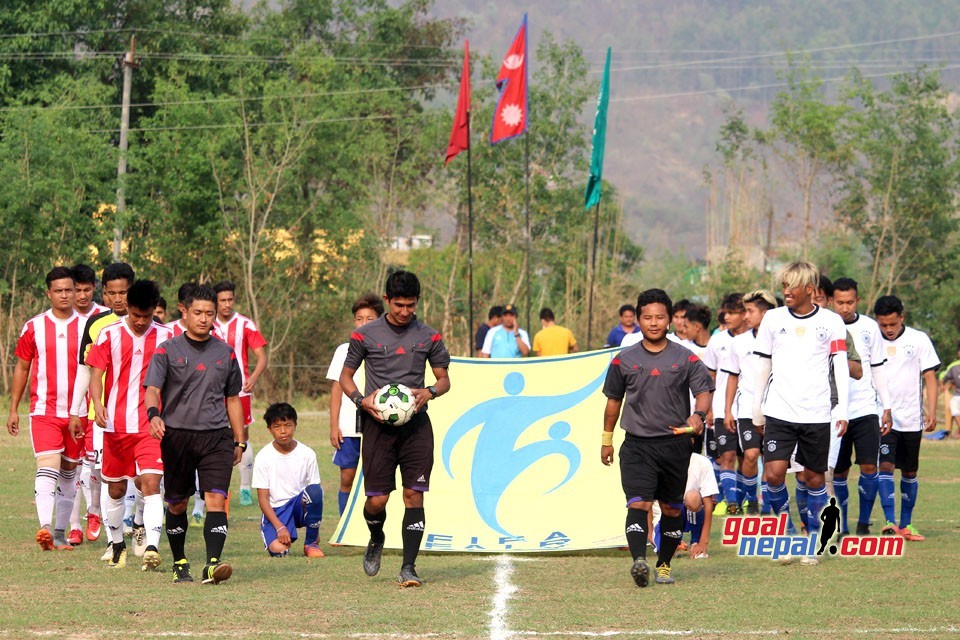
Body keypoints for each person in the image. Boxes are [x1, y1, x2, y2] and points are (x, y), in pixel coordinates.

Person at [338, 270, 451, 588]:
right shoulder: (365, 335)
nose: (404, 311)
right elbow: (346, 378)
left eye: (411, 305)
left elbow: (445, 380)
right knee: (377, 501)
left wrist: (429, 391)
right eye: (399, 304)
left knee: (414, 495)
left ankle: (409, 567)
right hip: (377, 429)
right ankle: (376, 536)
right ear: (387, 300)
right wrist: (362, 400)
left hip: (416, 428)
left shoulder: (429, 336)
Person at [600, 288, 713, 587]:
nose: (653, 322)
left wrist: (698, 416)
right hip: (637, 445)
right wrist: (606, 439)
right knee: (638, 504)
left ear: (669, 320)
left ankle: (663, 565)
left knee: (673, 508)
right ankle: (639, 560)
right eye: (647, 317)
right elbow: (613, 402)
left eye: (660, 317)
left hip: (675, 446)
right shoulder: (623, 360)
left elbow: (704, 392)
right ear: (638, 320)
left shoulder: (685, 358)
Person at [144, 284, 245, 584]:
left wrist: (239, 439)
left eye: (209, 314)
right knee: (177, 503)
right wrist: (154, 415)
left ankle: (213, 564)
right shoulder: (167, 350)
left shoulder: (226, 353)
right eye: (198, 312)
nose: (204, 319)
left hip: (216, 437)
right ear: (184, 312)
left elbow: (233, 399)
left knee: (216, 498)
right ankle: (180, 562)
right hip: (177, 437)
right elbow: (152, 390)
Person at [753, 261, 849, 566]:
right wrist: (758, 409)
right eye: (783, 286)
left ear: (809, 289)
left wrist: (842, 407)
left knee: (812, 478)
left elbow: (840, 366)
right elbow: (762, 365)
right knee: (773, 473)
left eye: (790, 286)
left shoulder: (832, 322)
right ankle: (788, 534)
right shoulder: (772, 319)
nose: (785, 292)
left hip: (817, 413)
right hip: (779, 411)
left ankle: (814, 540)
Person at [86, 280, 173, 570]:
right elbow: (96, 374)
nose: (140, 321)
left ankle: (151, 546)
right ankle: (117, 544)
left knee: (151, 484)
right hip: (115, 425)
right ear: (127, 308)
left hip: (151, 425)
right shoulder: (109, 334)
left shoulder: (167, 335)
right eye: (136, 315)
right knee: (115, 490)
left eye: (146, 316)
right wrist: (98, 404)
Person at [7, 266, 83, 551]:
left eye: (69, 290)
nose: (65, 295)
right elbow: (23, 367)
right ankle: (45, 526)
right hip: (44, 411)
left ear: (76, 292)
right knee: (47, 466)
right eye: (59, 291)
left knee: (69, 473)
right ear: (48, 293)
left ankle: (61, 533)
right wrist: (14, 408)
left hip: (78, 413)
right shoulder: (34, 326)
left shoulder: (90, 327)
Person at [69, 262, 137, 559]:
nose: (119, 299)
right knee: (109, 476)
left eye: (124, 292)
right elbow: (86, 370)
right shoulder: (96, 324)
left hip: (139, 414)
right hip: (104, 413)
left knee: (142, 476)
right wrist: (77, 410)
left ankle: (139, 525)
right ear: (105, 294)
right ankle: (114, 537)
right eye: (113, 293)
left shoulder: (148, 323)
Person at [874, 295, 940, 541]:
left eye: (892, 324)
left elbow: (930, 376)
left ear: (902, 317)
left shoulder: (919, 339)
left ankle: (906, 525)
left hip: (912, 418)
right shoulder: (872, 341)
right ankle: (890, 522)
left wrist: (932, 411)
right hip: (883, 417)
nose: (888, 330)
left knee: (910, 471)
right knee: (886, 466)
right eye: (883, 325)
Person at [829, 277, 892, 536]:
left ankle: (863, 522)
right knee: (839, 471)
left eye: (850, 302)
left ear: (858, 300)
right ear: (832, 301)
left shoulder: (869, 327)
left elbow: (877, 368)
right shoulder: (825, 325)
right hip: (835, 410)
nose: (845, 307)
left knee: (869, 467)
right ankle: (842, 525)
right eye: (840, 302)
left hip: (865, 409)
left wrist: (886, 406)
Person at [327, 293, 384, 515]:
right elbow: (336, 391)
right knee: (347, 478)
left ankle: (370, 527)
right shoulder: (344, 350)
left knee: (375, 481)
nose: (363, 324)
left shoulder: (385, 349)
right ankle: (344, 527)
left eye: (370, 319)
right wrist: (334, 426)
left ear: (380, 320)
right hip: (349, 427)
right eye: (359, 319)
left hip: (377, 425)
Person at [213, 280, 268, 507]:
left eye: (230, 299)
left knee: (241, 436)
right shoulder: (207, 322)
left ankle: (245, 488)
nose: (226, 304)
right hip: (213, 390)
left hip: (240, 390)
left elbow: (262, 356)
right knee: (214, 437)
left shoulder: (245, 324)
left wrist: (253, 378)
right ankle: (217, 487)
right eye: (222, 300)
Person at [723, 290, 778, 516]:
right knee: (751, 455)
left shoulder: (780, 340)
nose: (746, 316)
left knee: (771, 459)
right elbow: (732, 376)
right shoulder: (739, 342)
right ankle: (751, 499)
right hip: (746, 409)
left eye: (750, 311)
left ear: (765, 314)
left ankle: (766, 505)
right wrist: (727, 410)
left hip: (775, 409)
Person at [66, 263, 109, 546]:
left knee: (92, 466)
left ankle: (94, 511)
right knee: (68, 467)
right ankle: (72, 524)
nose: (81, 295)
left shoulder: (104, 317)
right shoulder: (58, 319)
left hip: (96, 404)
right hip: (66, 404)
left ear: (94, 288)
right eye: (76, 290)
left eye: (85, 289)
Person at [252, 402, 325, 558]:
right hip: (277, 511)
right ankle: (285, 532)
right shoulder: (263, 457)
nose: (283, 431)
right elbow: (263, 499)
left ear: (295, 425)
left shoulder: (307, 454)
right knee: (280, 551)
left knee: (315, 491)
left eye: (288, 425)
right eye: (277, 427)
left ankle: (311, 542)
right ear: (269, 429)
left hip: (298, 506)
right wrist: (279, 527)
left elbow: (314, 491)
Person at [702, 293, 748, 515]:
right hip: (721, 409)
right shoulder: (717, 340)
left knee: (747, 457)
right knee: (726, 456)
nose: (726, 316)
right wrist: (709, 408)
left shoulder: (755, 340)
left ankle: (744, 498)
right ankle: (732, 502)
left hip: (749, 410)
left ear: (744, 314)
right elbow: (710, 376)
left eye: (732, 313)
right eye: (725, 312)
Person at [937, 343, 960, 439]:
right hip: (958, 394)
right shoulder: (954, 366)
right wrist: (942, 385)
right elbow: (942, 376)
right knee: (953, 404)